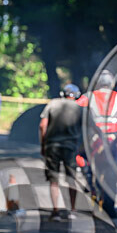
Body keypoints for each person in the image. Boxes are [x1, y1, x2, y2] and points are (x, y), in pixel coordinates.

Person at [76, 70, 117, 218]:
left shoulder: (88, 97)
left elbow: (74, 107)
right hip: (116, 141)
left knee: (80, 157)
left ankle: (88, 181)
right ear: (111, 83)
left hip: (95, 140)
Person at [39, 83, 83, 221]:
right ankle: (73, 210)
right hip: (71, 147)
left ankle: (56, 211)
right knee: (71, 179)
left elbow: (42, 125)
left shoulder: (52, 104)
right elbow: (85, 129)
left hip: (52, 146)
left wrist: (43, 144)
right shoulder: (79, 108)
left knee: (54, 180)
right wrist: (81, 148)